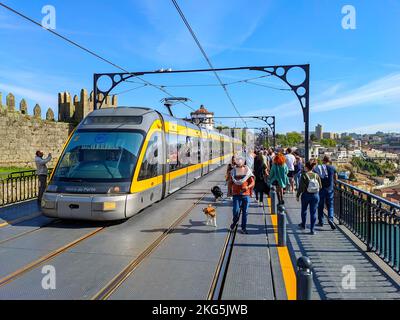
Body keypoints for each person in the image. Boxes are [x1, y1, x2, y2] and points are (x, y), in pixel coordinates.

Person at [230, 157, 255, 234]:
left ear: (243, 164)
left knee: (245, 212)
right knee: (236, 211)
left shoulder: (248, 171)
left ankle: (243, 228)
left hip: (245, 194)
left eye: (240, 166)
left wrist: (247, 187)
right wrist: (229, 191)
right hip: (236, 194)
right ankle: (234, 222)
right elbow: (230, 182)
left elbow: (253, 182)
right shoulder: (233, 171)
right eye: (238, 165)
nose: (239, 167)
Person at [296, 160, 322, 235]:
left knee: (304, 210)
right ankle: (312, 230)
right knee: (313, 212)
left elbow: (300, 187)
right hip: (315, 195)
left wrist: (298, 195)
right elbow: (320, 186)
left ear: (307, 167)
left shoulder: (304, 175)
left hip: (306, 195)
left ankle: (303, 225)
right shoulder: (316, 175)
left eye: (304, 166)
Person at [314, 155, 338, 230]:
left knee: (320, 205)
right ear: (329, 161)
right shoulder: (333, 168)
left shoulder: (319, 167)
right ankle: (330, 219)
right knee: (330, 206)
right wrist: (334, 184)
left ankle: (321, 221)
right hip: (330, 189)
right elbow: (336, 178)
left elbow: (315, 176)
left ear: (323, 161)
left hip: (321, 189)